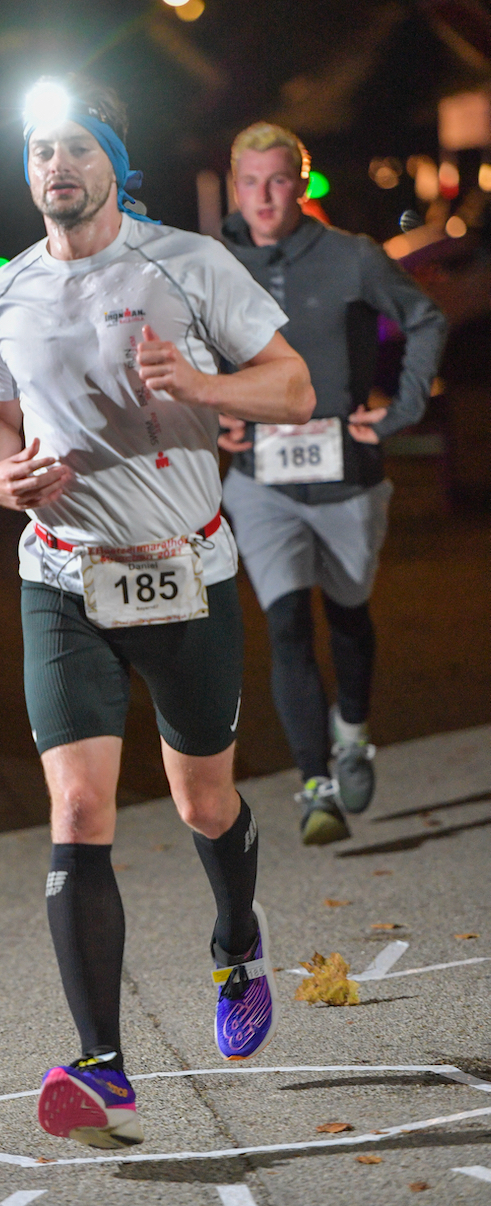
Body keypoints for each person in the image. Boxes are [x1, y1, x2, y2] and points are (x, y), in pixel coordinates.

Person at [0, 76, 315, 1150]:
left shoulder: (187, 265)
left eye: (73, 147)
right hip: (61, 575)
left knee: (203, 800)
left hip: (186, 571)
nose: (53, 167)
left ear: (112, 161)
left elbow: (292, 389)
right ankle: (102, 1065)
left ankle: (234, 931)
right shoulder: (2, 291)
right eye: (36, 152)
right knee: (77, 809)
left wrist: (203, 388)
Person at [219, 123, 447, 845]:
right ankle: (314, 785)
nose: (263, 196)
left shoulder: (352, 256)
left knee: (347, 614)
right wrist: (214, 416)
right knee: (286, 624)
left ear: (302, 182)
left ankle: (352, 728)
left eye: (278, 180)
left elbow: (426, 317)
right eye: (250, 181)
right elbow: (178, 353)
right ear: (233, 186)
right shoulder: (212, 265)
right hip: (261, 481)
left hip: (347, 476)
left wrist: (400, 411)